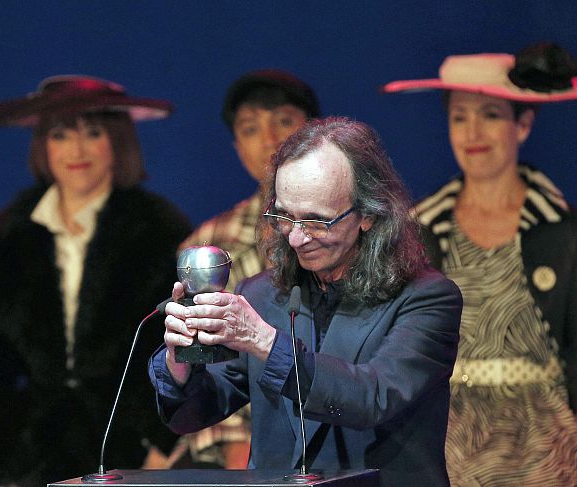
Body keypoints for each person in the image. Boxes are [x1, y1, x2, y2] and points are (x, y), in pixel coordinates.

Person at [383, 42, 577, 486]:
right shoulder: (421, 227)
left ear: (522, 124)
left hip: (545, 428)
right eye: (459, 117)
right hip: (450, 429)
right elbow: (402, 350)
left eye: (490, 115)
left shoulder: (560, 225)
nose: (473, 133)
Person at [149, 117, 463, 486]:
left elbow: (373, 397)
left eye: (317, 222)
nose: (296, 239)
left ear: (367, 215)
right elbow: (192, 415)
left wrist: (264, 342)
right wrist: (181, 364)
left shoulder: (427, 298)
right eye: (284, 216)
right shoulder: (262, 294)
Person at [0, 76, 192, 487]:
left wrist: (162, 445)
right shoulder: (10, 239)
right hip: (27, 453)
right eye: (60, 135)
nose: (76, 151)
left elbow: (182, 356)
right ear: (44, 147)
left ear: (117, 144)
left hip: (133, 452)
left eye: (92, 134)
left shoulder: (160, 234)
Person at [173, 69, 320, 469]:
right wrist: (244, 457)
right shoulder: (209, 244)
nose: (270, 139)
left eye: (284, 122)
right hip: (246, 457)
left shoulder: (349, 230)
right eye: (251, 128)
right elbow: (202, 361)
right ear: (237, 145)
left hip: (340, 429)